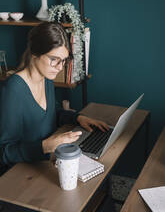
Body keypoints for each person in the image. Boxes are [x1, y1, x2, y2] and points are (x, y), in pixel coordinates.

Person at [0, 22, 109, 173]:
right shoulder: (13, 89)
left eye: (64, 60)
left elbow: (52, 112)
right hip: (19, 173)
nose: (59, 67)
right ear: (34, 53)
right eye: (54, 59)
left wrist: (78, 118)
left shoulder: (47, 78)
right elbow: (4, 152)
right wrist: (45, 146)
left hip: (44, 162)